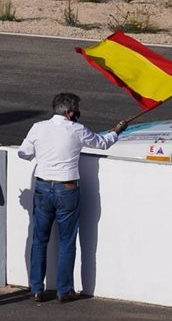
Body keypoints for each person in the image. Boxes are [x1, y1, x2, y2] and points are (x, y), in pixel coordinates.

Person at [18, 93, 127, 303]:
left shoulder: (38, 127)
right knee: (67, 241)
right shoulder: (77, 130)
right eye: (76, 109)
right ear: (68, 112)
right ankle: (64, 290)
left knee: (39, 239)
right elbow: (103, 143)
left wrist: (41, 156)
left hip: (42, 186)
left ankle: (36, 288)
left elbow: (23, 153)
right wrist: (117, 130)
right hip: (67, 188)